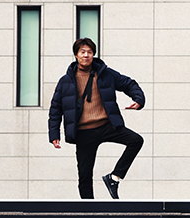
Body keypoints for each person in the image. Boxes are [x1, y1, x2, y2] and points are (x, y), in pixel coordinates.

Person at [48, 38, 145, 199]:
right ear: (76, 55)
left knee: (136, 141)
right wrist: (54, 135)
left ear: (93, 54)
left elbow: (128, 83)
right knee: (85, 176)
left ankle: (114, 178)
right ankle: (89, 213)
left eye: (90, 52)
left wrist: (138, 99)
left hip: (107, 126)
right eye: (82, 52)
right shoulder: (65, 82)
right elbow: (55, 109)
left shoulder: (105, 74)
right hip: (83, 132)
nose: (86, 55)